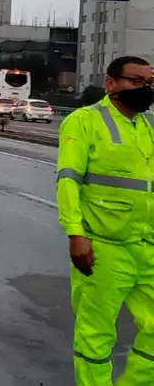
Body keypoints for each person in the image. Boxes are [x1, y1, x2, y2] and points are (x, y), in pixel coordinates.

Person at [57, 55, 154, 385]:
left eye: (149, 82)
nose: (144, 88)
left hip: (147, 245)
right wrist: (75, 233)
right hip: (103, 247)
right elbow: (68, 179)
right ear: (111, 83)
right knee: (96, 334)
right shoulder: (84, 121)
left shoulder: (148, 127)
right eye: (136, 81)